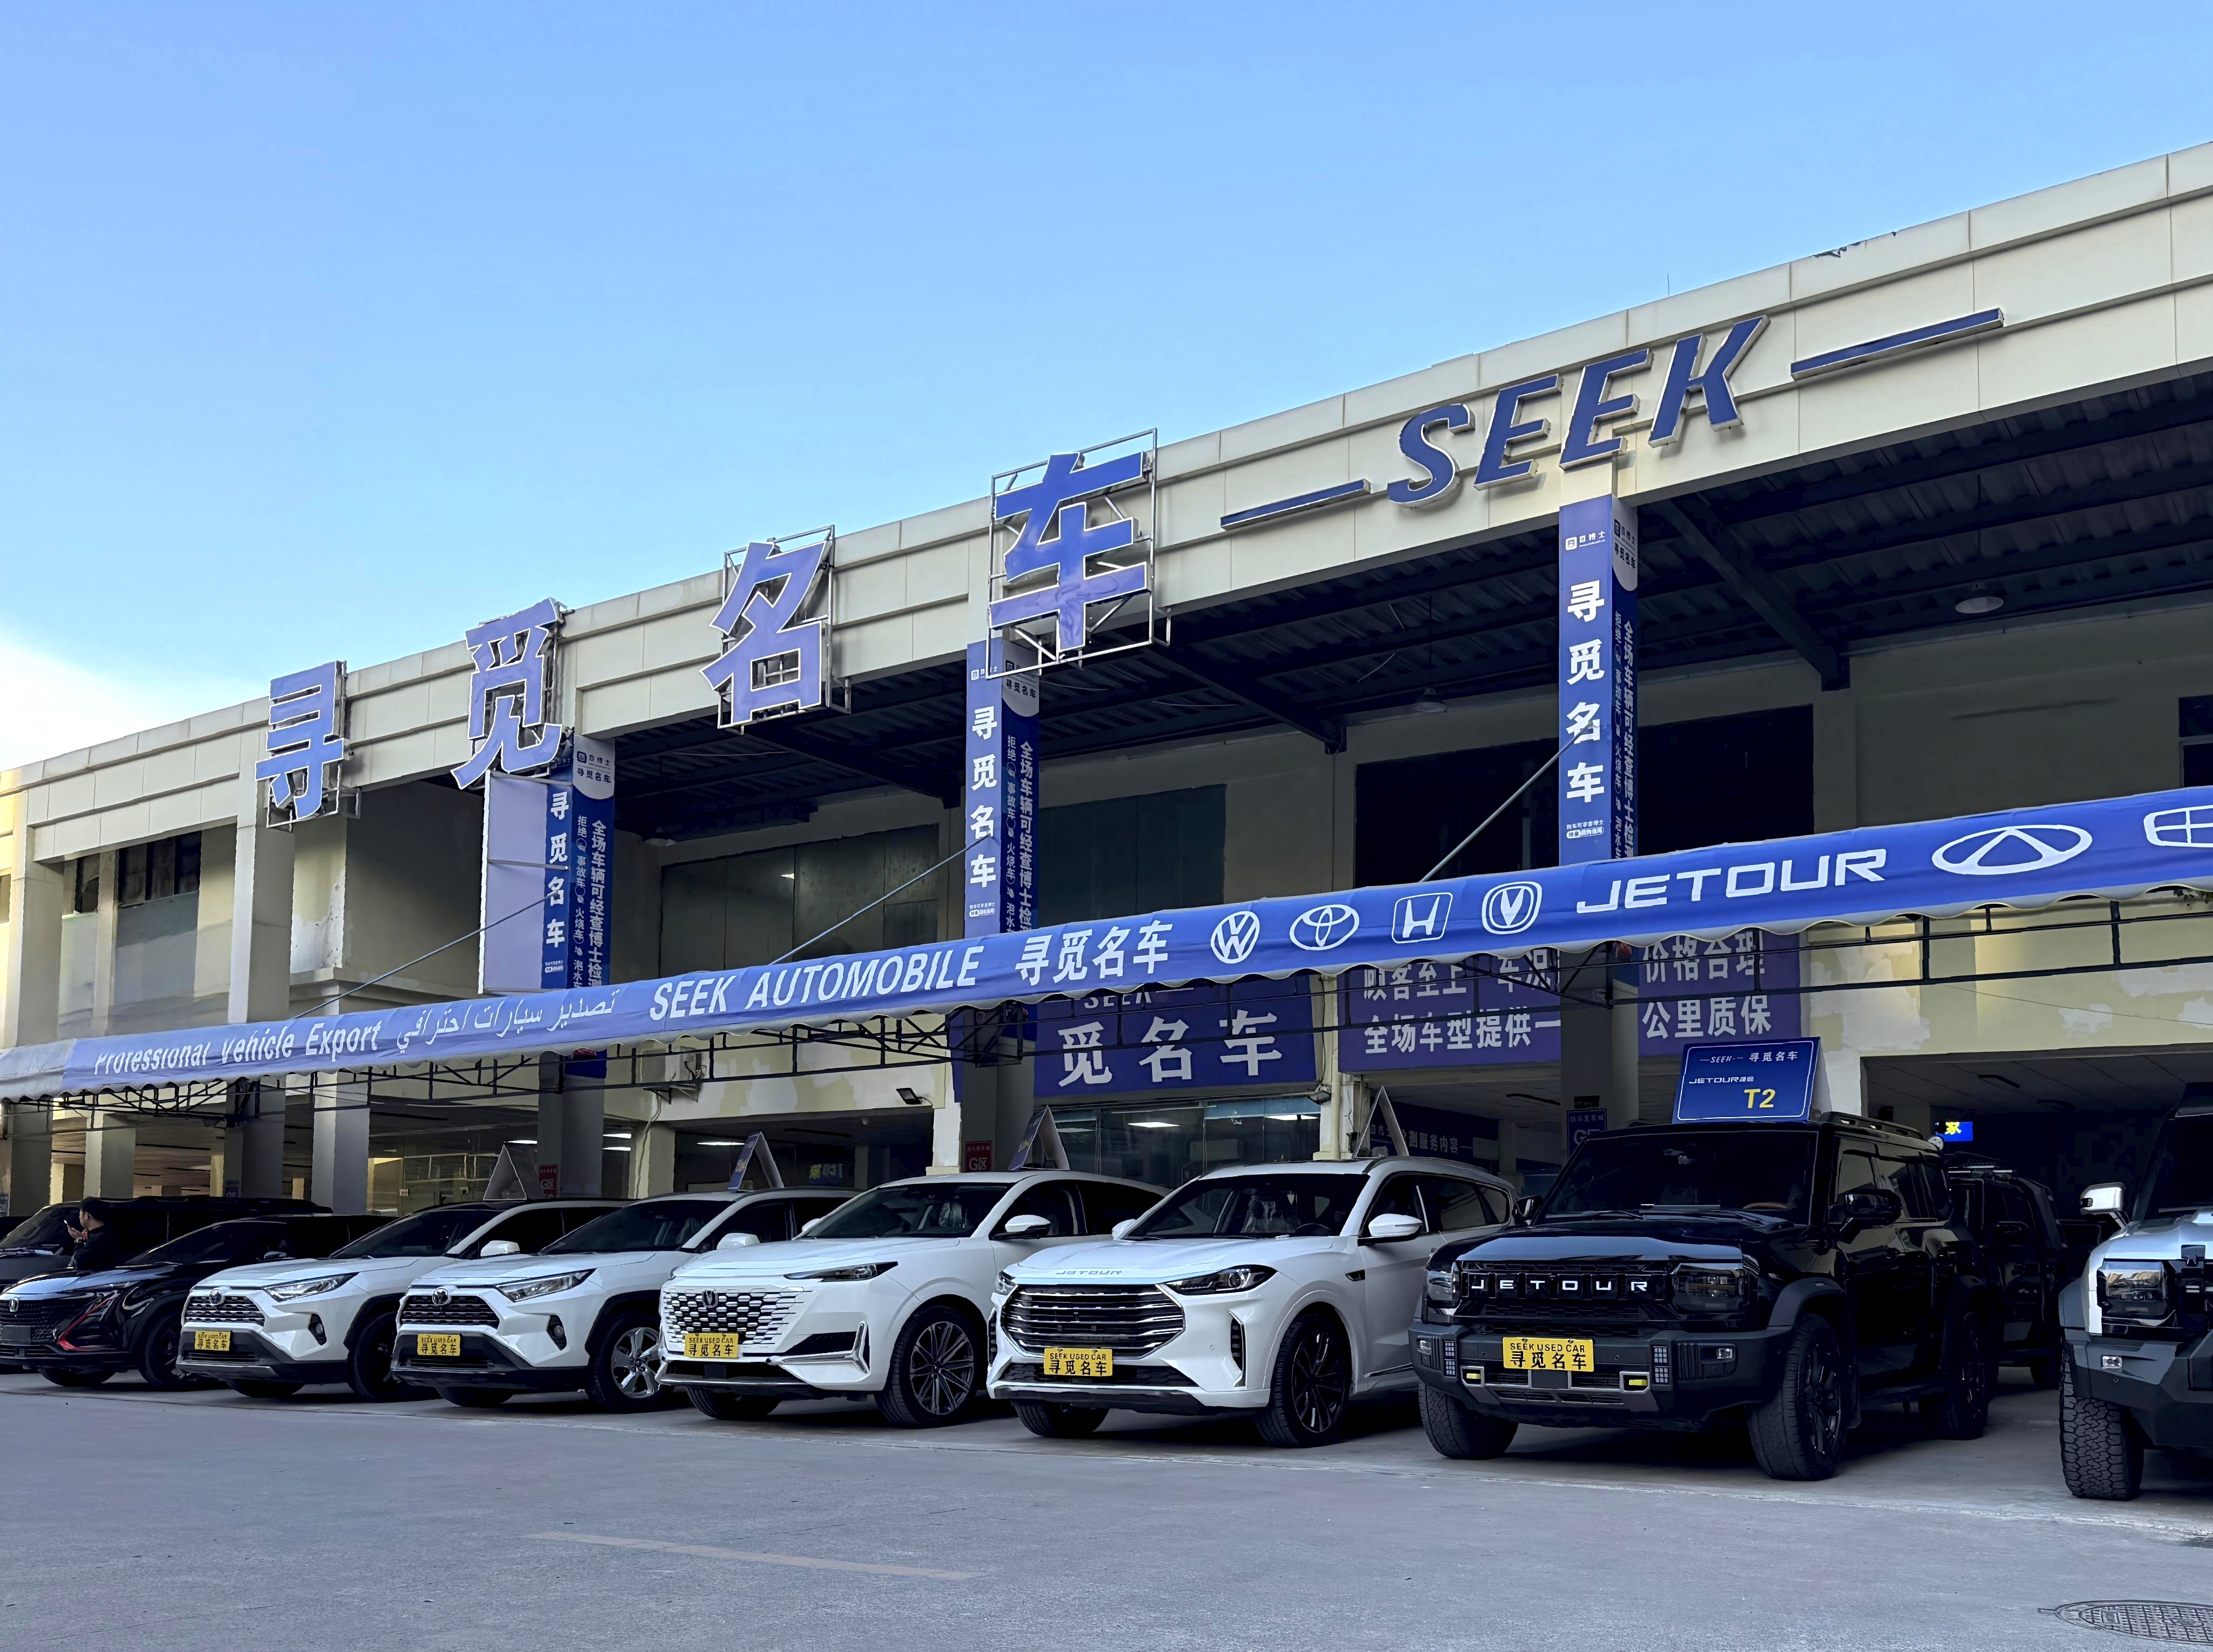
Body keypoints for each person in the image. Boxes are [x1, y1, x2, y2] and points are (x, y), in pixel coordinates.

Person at [66, 1199, 125, 1273]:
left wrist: (79, 1240)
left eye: (80, 1214)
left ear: (86, 1215)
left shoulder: (99, 1238)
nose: (80, 1217)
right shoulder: (108, 1233)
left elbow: (81, 1262)